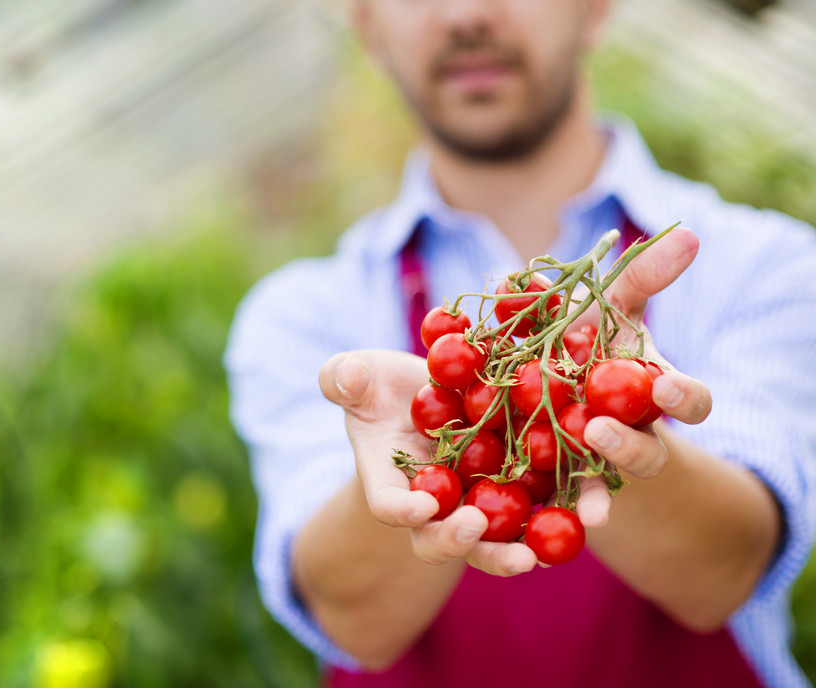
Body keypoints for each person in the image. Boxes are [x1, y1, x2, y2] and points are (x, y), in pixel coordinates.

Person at [224, 1, 816, 685]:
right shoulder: (303, 317)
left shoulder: (764, 267)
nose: (466, 14)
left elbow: (726, 575)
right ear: (369, 29)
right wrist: (414, 469)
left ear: (595, 9)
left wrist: (613, 428)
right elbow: (353, 621)